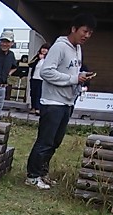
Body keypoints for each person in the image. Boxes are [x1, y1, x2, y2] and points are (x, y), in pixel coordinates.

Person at [25, 13, 97, 190]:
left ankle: (42, 173)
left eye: (90, 33)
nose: (87, 35)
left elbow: (72, 72)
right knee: (45, 141)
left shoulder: (78, 49)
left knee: (55, 142)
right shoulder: (59, 47)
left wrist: (81, 77)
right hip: (53, 102)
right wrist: (73, 79)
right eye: (84, 31)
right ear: (74, 29)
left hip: (67, 102)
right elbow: (46, 72)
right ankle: (32, 176)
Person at [28, 43, 51, 114]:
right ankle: (33, 107)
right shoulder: (37, 58)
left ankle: (38, 108)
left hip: (42, 79)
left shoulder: (48, 59)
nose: (44, 50)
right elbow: (30, 64)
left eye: (46, 49)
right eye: (43, 48)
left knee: (39, 93)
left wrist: (43, 59)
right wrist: (37, 57)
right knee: (33, 93)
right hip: (34, 78)